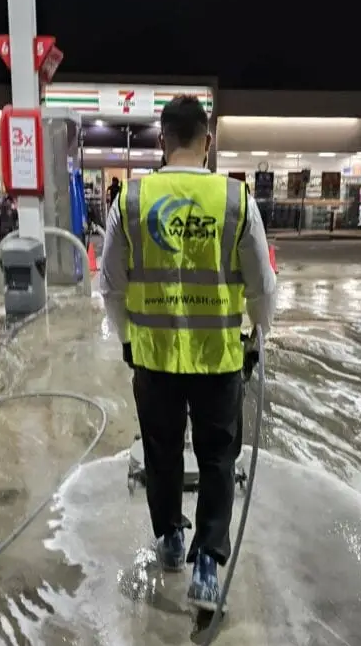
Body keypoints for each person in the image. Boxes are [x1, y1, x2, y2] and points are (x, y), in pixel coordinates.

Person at [100, 96, 276, 611]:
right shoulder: (235, 200)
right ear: (207, 141)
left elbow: (110, 284)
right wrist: (258, 336)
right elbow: (262, 284)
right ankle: (206, 566)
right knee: (219, 458)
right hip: (219, 359)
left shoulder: (131, 200)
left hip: (153, 358)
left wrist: (128, 339)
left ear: (163, 140)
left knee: (161, 452)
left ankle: (172, 540)